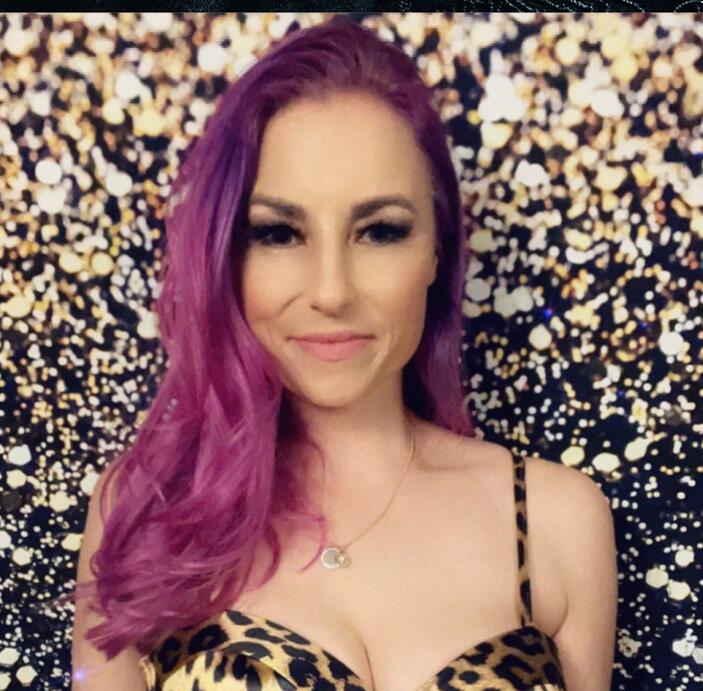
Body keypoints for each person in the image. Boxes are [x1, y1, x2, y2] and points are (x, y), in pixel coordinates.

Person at [71, 16, 617, 691]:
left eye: (380, 231)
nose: (331, 291)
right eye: (279, 234)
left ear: (437, 249)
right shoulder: (147, 513)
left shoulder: (556, 520)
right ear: (226, 256)